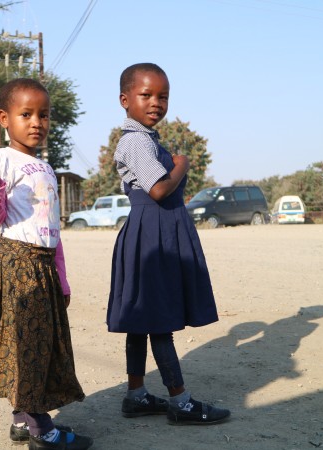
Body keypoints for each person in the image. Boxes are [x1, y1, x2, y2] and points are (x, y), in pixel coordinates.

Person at [0, 78, 92, 450]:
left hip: (44, 268)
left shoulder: (46, 168)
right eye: (26, 114)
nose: (37, 122)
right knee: (28, 349)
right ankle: (41, 430)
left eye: (44, 115)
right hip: (18, 267)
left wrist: (62, 280)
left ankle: (22, 420)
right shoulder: (2, 160)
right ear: (5, 118)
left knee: (39, 346)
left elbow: (54, 232)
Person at [107, 63, 231, 426]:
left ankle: (136, 395)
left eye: (163, 96)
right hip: (152, 235)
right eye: (146, 95)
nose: (156, 103)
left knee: (141, 320)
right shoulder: (135, 141)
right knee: (159, 319)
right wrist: (182, 164)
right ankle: (181, 401)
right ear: (125, 100)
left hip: (153, 232)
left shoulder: (146, 139)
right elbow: (159, 189)